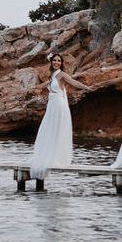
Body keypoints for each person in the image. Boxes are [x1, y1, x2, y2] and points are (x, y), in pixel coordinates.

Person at [28, 52, 92, 180]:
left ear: (61, 63)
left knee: (56, 130)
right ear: (51, 62)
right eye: (55, 60)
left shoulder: (62, 74)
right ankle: (48, 155)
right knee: (48, 130)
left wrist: (86, 87)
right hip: (52, 106)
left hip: (59, 106)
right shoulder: (52, 75)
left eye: (59, 61)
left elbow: (73, 82)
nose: (57, 62)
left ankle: (56, 157)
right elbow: (49, 88)